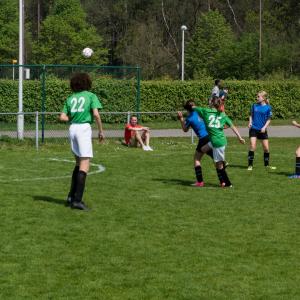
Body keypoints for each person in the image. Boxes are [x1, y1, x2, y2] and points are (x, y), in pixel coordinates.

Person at [59, 72, 104, 210]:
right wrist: (101, 130)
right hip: (84, 129)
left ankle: (71, 197)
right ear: (87, 83)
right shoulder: (91, 96)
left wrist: (73, 119)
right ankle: (77, 200)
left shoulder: (70, 98)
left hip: (72, 129)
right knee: (85, 164)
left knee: (78, 163)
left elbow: (62, 117)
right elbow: (96, 114)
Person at [192, 96, 245, 187]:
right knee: (202, 149)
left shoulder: (205, 111)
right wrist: (240, 137)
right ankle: (221, 162)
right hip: (216, 141)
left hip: (217, 143)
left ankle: (228, 183)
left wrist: (192, 106)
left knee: (218, 165)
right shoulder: (223, 115)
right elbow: (232, 126)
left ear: (211, 103)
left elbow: (194, 108)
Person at [177, 100, 215, 187]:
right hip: (210, 136)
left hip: (203, 138)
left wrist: (181, 119)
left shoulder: (190, 117)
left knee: (196, 159)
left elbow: (185, 130)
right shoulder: (200, 112)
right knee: (211, 153)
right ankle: (223, 165)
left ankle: (200, 182)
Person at [247, 91, 276, 171]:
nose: (257, 98)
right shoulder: (254, 105)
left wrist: (264, 127)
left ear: (263, 98)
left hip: (263, 130)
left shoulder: (268, 107)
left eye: (258, 96)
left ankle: (267, 165)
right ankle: (250, 165)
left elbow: (269, 119)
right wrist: (250, 122)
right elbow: (250, 115)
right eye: (257, 96)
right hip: (253, 129)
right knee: (253, 146)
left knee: (266, 148)